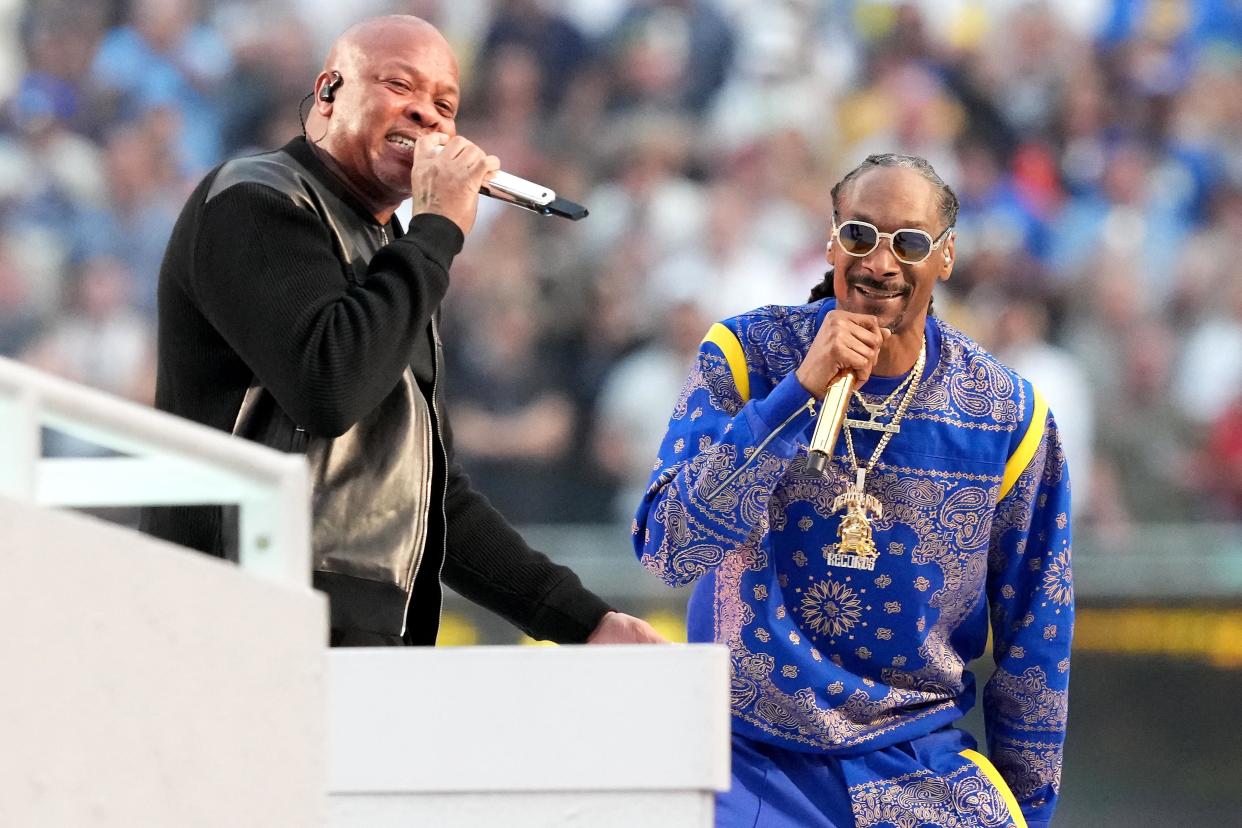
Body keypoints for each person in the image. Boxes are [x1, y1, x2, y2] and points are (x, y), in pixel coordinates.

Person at [141, 15, 663, 647]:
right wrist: (437, 232)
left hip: (363, 627)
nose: (427, 115)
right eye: (400, 86)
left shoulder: (397, 253)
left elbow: (431, 490)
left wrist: (585, 620)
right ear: (329, 91)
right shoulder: (255, 198)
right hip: (246, 613)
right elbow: (328, 386)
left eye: (445, 105)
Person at [634, 154, 1072, 827]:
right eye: (861, 235)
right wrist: (794, 396)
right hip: (741, 750)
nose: (881, 263)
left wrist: (1033, 812)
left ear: (946, 257)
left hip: (916, 758)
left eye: (911, 242)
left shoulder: (1009, 417)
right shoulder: (747, 356)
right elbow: (668, 549)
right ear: (832, 243)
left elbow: (1035, 644)